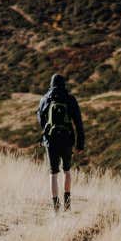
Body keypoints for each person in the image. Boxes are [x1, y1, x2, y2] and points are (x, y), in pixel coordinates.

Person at [37, 73, 85, 213]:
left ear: (51, 85)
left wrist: (46, 132)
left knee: (53, 173)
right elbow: (78, 123)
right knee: (67, 170)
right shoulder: (70, 99)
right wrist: (80, 143)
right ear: (64, 84)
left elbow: (40, 119)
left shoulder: (45, 99)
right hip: (67, 139)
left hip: (50, 140)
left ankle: (55, 206)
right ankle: (67, 204)